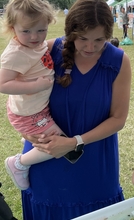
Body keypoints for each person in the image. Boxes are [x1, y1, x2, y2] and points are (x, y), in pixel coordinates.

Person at [21, 0, 132, 219]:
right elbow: (20, 104)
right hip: (46, 159)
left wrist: (74, 142)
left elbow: (118, 118)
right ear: (70, 32)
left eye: (99, 40)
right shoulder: (48, 52)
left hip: (95, 164)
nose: (90, 47)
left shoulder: (118, 61)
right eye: (82, 39)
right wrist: (29, 133)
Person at [0, 0, 65, 191]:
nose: (35, 37)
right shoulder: (16, 53)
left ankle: (30, 140)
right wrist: (35, 85)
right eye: (26, 31)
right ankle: (19, 163)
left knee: (49, 139)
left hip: (35, 108)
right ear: (13, 29)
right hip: (28, 113)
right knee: (57, 142)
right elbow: (2, 83)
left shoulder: (34, 44)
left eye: (41, 30)